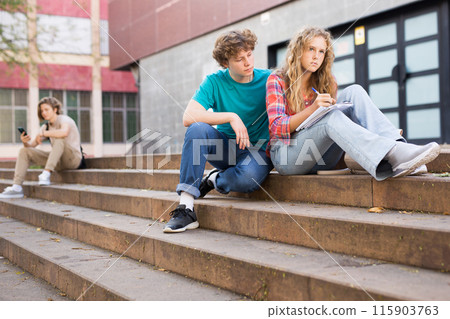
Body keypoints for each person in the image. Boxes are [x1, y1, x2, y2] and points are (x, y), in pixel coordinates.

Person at [266, 26, 440, 180]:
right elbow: (277, 126)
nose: (316, 56)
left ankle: (399, 150)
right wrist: (313, 109)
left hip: (322, 157)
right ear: (298, 51)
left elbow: (337, 129)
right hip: (287, 156)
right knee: (330, 117)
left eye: (321, 51)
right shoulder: (278, 80)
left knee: (353, 92)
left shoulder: (327, 82)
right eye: (311, 49)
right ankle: (393, 154)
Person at [164, 29, 273, 233]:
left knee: (246, 180)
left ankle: (214, 179)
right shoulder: (214, 81)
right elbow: (188, 116)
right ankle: (186, 207)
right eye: (240, 59)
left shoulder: (268, 79)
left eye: (249, 54)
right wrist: (231, 116)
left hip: (257, 150)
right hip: (225, 148)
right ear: (226, 63)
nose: (248, 62)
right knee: (197, 129)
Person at [0, 97, 83, 198]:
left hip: (73, 160)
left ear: (55, 109)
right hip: (58, 161)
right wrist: (25, 142)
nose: (43, 112)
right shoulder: (46, 126)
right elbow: (32, 146)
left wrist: (44, 133)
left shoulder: (64, 119)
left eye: (46, 109)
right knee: (24, 151)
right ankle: (16, 187)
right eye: (42, 110)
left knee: (59, 138)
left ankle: (46, 174)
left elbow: (64, 132)